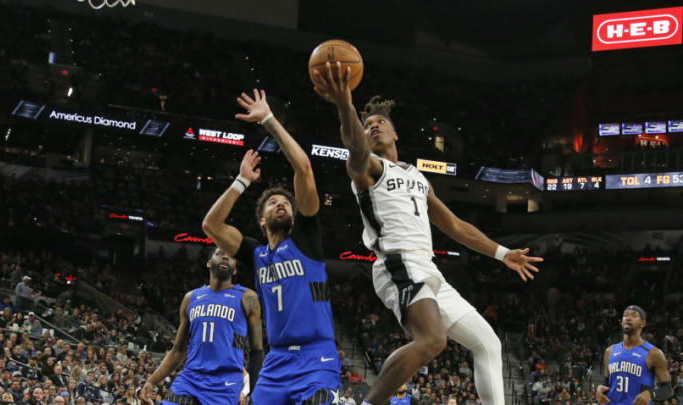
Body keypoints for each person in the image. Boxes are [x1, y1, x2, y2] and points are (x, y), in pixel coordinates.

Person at [311, 63, 543, 405]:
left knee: (488, 343)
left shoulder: (419, 178)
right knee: (432, 341)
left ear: (396, 134)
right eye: (367, 126)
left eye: (381, 123)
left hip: (429, 270)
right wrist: (345, 104)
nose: (374, 128)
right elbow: (356, 151)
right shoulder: (369, 170)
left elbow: (453, 225)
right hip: (397, 263)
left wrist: (501, 253)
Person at [202, 89, 341, 404]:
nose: (282, 206)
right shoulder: (256, 253)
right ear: (262, 221)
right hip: (277, 361)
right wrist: (241, 181)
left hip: (316, 356)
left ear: (294, 217)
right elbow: (211, 225)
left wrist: (268, 120)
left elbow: (303, 168)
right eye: (273, 203)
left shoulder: (305, 240)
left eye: (286, 204)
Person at [139, 247, 263, 405]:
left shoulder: (248, 297)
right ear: (209, 263)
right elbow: (178, 350)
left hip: (225, 384)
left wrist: (256, 393)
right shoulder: (190, 298)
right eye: (219, 254)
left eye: (230, 257)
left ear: (235, 269)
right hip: (190, 379)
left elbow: (257, 351)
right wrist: (151, 381)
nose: (225, 258)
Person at [596, 306, 673, 404]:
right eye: (625, 315)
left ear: (643, 323)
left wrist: (651, 394)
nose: (628, 318)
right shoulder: (609, 351)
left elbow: (668, 389)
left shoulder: (654, 353)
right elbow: (607, 384)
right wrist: (600, 389)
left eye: (634, 315)